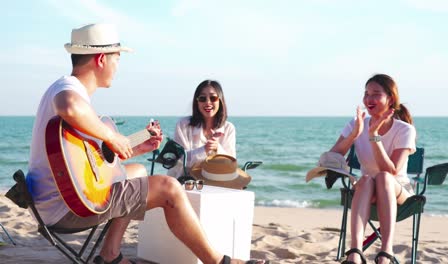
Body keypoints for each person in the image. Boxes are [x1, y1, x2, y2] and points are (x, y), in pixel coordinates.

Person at [25, 23, 267, 264]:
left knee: (138, 172)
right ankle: (219, 262)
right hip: (69, 208)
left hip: (57, 201)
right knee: (169, 188)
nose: (117, 67)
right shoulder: (69, 90)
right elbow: (68, 106)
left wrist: (136, 148)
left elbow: (86, 166)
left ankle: (110, 255)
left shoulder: (64, 88)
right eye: (117, 59)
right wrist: (112, 137)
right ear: (101, 59)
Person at [329, 74, 416, 264]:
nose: (369, 99)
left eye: (376, 94)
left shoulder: (404, 130)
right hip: (367, 190)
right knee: (367, 179)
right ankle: (355, 253)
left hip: (398, 191)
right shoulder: (356, 124)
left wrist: (374, 136)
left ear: (390, 98)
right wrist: (354, 134)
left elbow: (392, 171)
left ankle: (386, 252)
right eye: (366, 94)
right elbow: (332, 156)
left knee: (384, 177)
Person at [168, 80, 236, 179]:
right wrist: (204, 150)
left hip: (216, 181)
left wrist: (217, 148)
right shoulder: (183, 125)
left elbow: (231, 164)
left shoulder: (229, 128)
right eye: (202, 98)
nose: (208, 103)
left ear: (220, 100)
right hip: (184, 182)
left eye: (213, 98)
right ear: (197, 102)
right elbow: (181, 159)